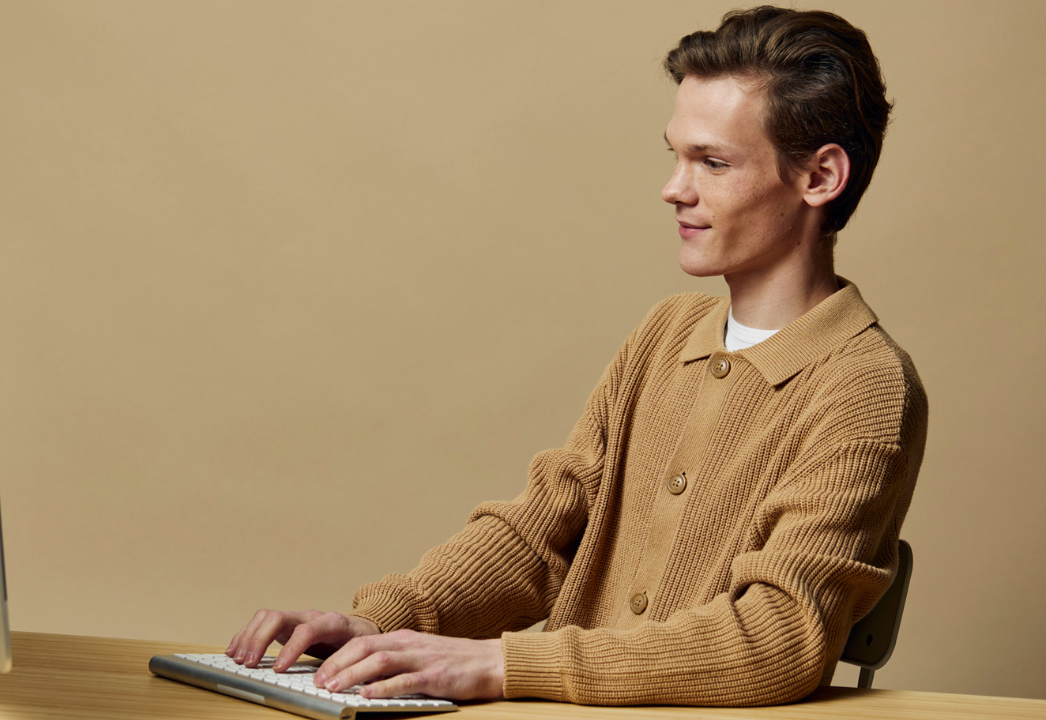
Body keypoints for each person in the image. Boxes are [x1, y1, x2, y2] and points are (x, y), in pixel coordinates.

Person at [227, 5, 927, 707]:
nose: (674, 188)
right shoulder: (666, 334)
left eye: (712, 162)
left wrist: (500, 666)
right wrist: (377, 624)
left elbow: (775, 639)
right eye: (675, 155)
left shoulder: (863, 385)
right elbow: (541, 534)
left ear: (820, 177)